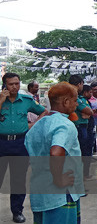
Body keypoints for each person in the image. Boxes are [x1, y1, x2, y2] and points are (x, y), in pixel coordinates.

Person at [24, 82, 83, 224]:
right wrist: (58, 179)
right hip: (61, 194)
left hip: (40, 190)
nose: (76, 105)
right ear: (66, 101)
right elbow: (56, 152)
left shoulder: (39, 124)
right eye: (75, 101)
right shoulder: (65, 125)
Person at [0, 73, 47, 223]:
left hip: (20, 143)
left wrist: (33, 125)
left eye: (17, 83)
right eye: (11, 84)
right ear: (4, 85)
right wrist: (1, 100)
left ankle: (17, 211)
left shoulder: (26, 100)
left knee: (18, 180)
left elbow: (44, 112)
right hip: (1, 143)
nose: (14, 87)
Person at [68, 76, 93, 179]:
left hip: (79, 126)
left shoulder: (76, 96)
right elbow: (89, 111)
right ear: (79, 84)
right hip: (78, 127)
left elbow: (88, 113)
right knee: (78, 154)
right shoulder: (73, 96)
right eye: (82, 84)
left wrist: (88, 113)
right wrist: (88, 113)